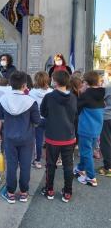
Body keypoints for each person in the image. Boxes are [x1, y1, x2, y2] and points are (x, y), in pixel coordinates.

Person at [0, 71, 40, 203]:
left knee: (11, 165)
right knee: (26, 165)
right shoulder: (31, 102)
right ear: (24, 85)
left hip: (9, 137)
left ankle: (10, 193)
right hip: (27, 138)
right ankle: (23, 192)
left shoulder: (3, 100)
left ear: (10, 84)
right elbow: (37, 121)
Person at [40, 71, 77, 203]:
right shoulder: (73, 98)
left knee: (50, 164)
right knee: (68, 165)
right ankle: (67, 192)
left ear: (55, 82)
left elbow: (43, 112)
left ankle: (49, 189)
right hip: (68, 136)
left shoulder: (49, 97)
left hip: (52, 137)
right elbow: (75, 116)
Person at [74, 71, 105, 187]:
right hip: (96, 128)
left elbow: (76, 108)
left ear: (86, 83)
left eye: (83, 83)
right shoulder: (101, 93)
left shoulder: (86, 95)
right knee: (87, 150)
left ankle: (91, 177)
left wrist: (80, 94)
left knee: (86, 152)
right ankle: (80, 168)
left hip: (86, 128)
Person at [29, 71, 52, 169]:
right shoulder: (52, 92)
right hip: (49, 118)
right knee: (51, 140)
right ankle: (54, 159)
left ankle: (37, 160)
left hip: (37, 118)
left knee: (38, 140)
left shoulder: (31, 92)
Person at [98, 85, 111, 176]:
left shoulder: (107, 88)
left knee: (106, 142)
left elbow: (100, 100)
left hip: (107, 117)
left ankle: (108, 168)